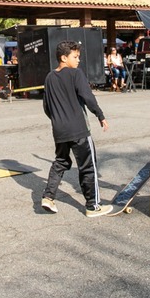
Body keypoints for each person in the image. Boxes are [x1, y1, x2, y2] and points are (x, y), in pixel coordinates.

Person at [40, 40, 111, 217]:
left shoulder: (49, 77)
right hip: (79, 129)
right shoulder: (75, 74)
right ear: (64, 58)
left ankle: (48, 197)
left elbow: (46, 106)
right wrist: (100, 115)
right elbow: (88, 96)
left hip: (60, 130)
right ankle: (93, 206)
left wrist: (57, 120)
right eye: (75, 57)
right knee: (88, 166)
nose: (78, 60)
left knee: (61, 162)